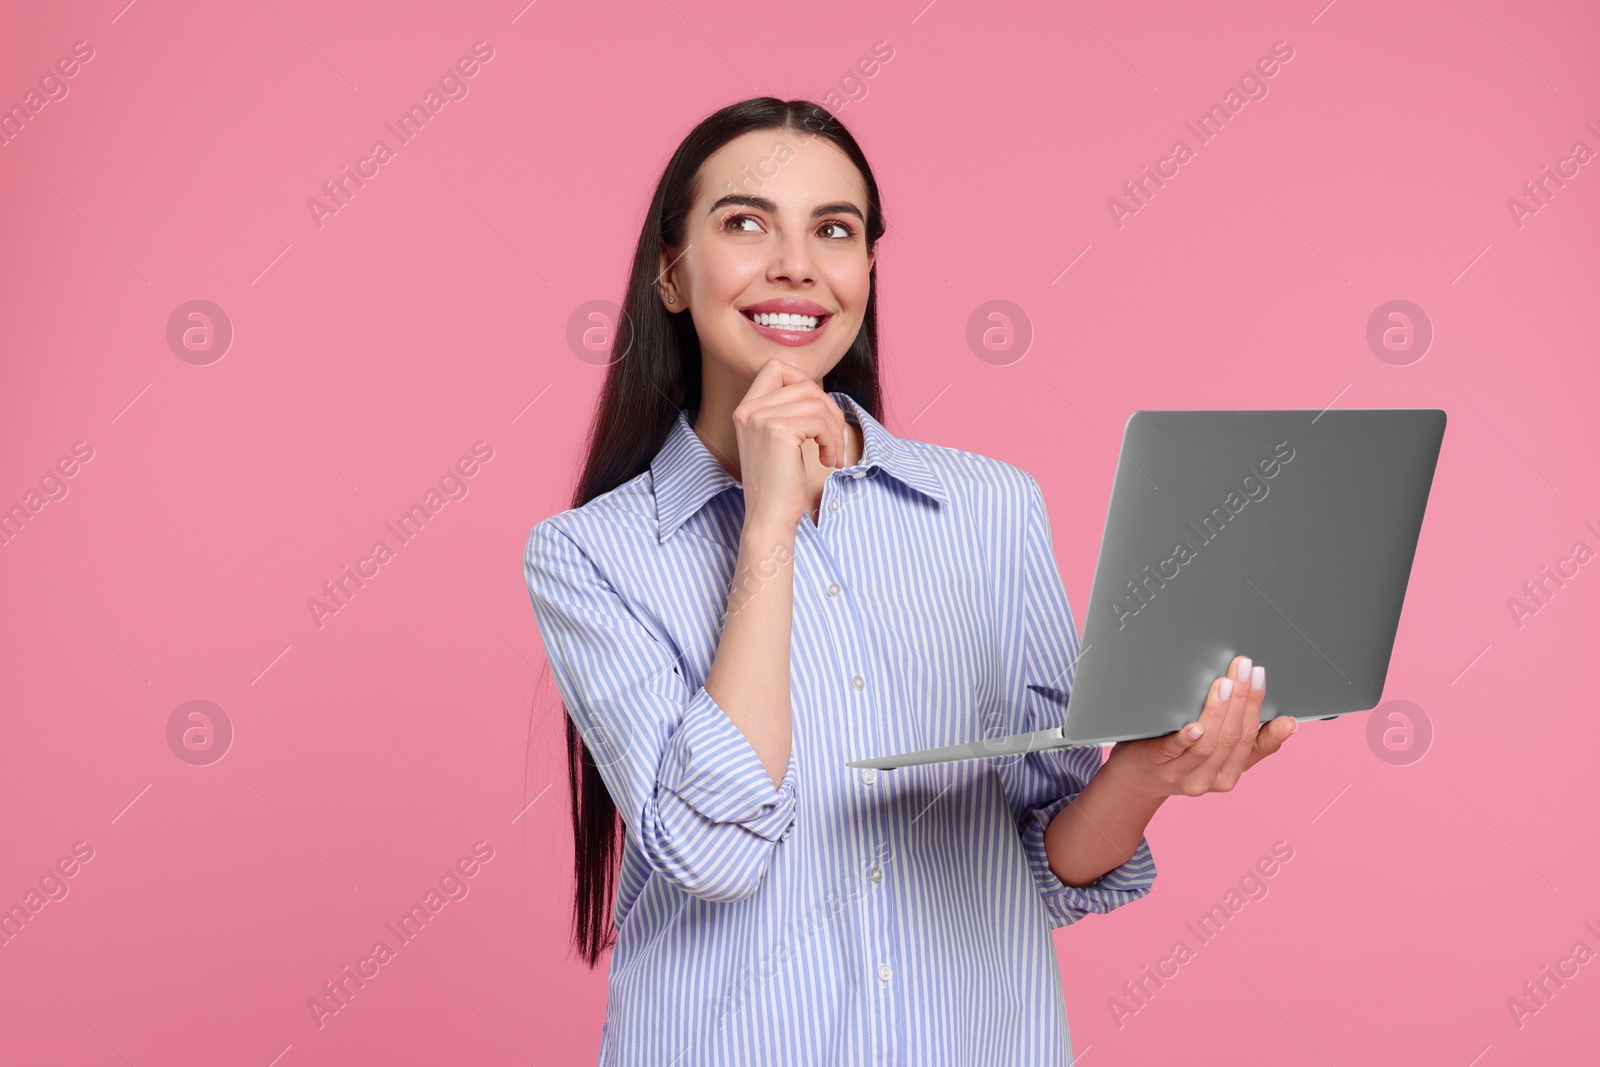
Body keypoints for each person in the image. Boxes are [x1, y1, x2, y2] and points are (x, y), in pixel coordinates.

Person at [521, 96, 1298, 1065]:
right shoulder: (590, 555)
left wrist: (1147, 774)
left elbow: (1046, 855)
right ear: (673, 273)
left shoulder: (990, 512)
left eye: (833, 230)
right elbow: (712, 850)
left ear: (867, 272)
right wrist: (768, 524)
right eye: (746, 223)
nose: (796, 262)